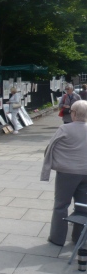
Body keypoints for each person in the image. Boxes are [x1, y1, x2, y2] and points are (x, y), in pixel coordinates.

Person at [41, 100, 87, 246]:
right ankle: (78, 237)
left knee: (61, 205)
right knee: (82, 205)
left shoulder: (65, 129)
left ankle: (57, 237)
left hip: (67, 172)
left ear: (73, 114)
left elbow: (51, 147)